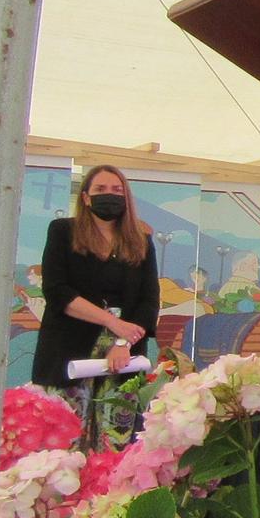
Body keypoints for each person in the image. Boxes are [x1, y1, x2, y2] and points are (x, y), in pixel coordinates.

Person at [32, 165, 160, 390]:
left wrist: (123, 342)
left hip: (124, 354)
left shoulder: (142, 241)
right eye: (100, 188)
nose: (109, 194)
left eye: (117, 190)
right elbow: (57, 291)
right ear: (86, 197)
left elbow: (148, 301)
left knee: (116, 423)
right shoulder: (63, 231)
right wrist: (112, 322)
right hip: (69, 349)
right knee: (66, 420)